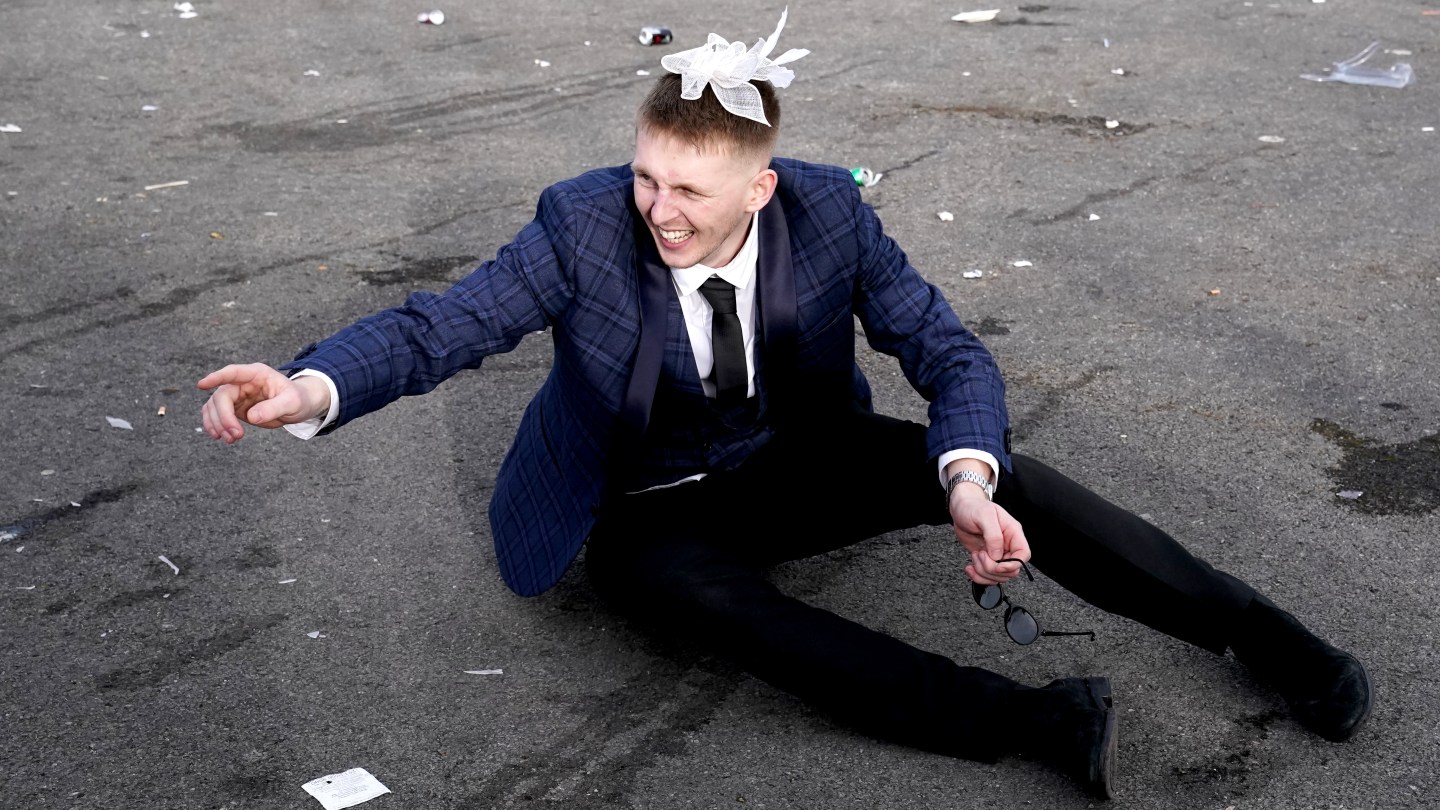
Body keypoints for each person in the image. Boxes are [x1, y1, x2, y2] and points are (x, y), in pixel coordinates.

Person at [197, 10, 1370, 800]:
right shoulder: (578, 225)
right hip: (646, 504)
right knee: (720, 605)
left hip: (796, 456)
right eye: (647, 177)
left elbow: (949, 351)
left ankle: (1260, 635)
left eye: (690, 190)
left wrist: (966, 479)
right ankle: (1036, 723)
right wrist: (306, 385)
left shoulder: (830, 216)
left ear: (759, 184)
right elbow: (443, 323)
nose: (658, 209)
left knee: (1012, 477)